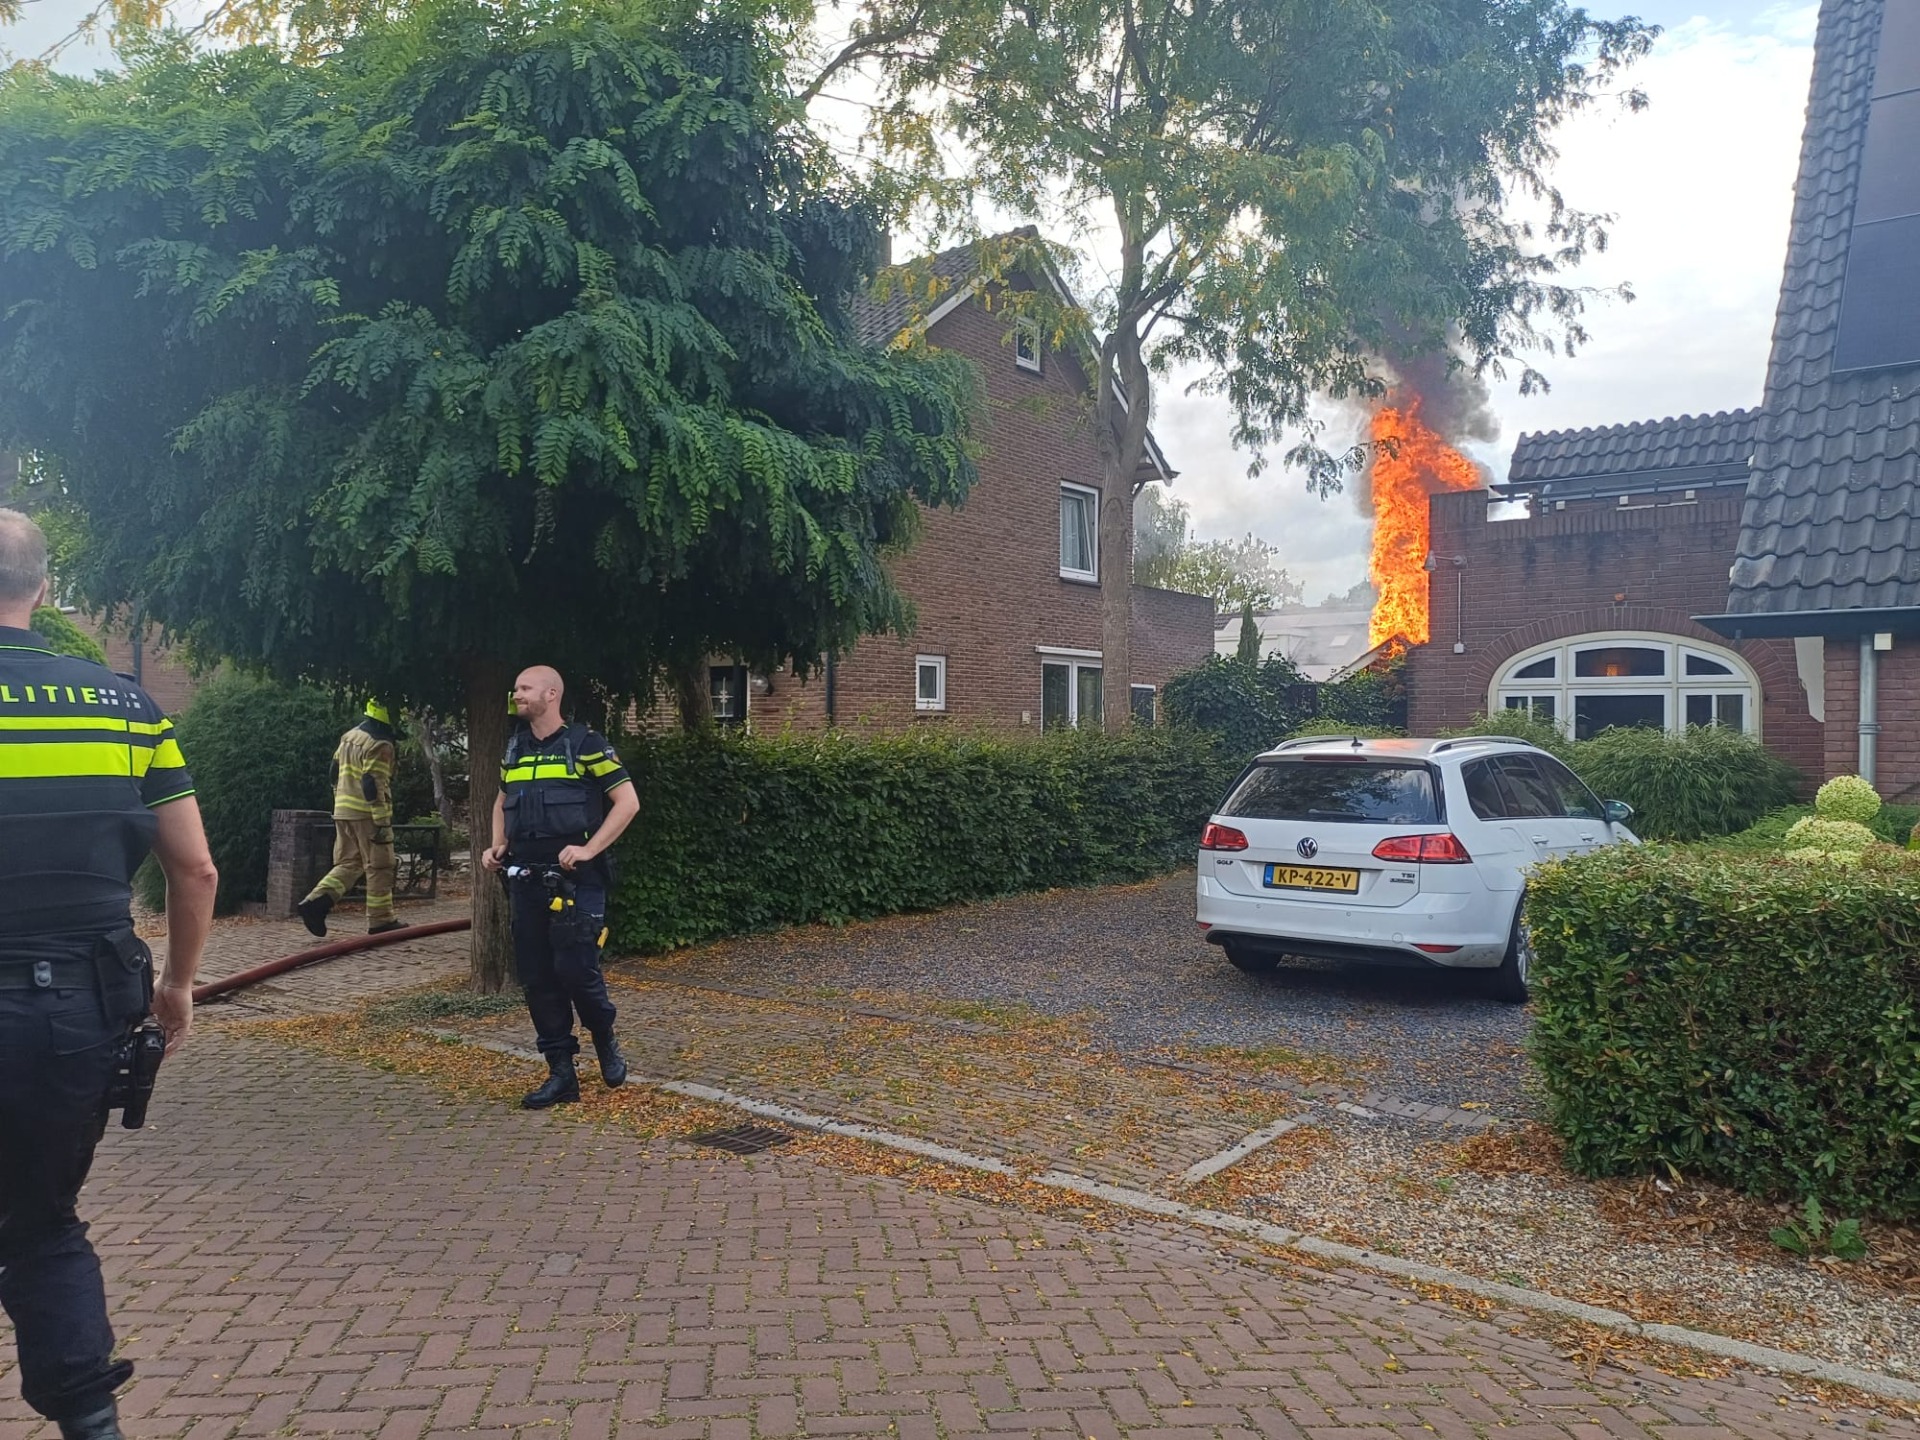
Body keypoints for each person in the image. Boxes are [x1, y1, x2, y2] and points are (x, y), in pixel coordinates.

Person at [0, 509, 218, 1440]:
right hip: (79, 1010)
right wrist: (177, 984)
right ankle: (92, 1423)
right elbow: (195, 869)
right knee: (44, 1220)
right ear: (43, 590)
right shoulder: (129, 708)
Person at [481, 665, 639, 1109]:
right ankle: (561, 1075)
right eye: (515, 688)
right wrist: (497, 846)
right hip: (526, 882)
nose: (517, 695)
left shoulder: (587, 745)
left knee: (576, 970)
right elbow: (500, 802)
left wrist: (589, 850)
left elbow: (628, 802)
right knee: (538, 979)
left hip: (576, 883)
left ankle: (603, 1037)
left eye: (525, 688)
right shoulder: (514, 750)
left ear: (551, 694)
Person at [298, 700, 402, 938]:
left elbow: (333, 772)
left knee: (349, 863)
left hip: (343, 810)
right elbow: (372, 783)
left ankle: (315, 903)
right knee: (380, 865)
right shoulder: (380, 744)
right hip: (367, 814)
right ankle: (381, 920)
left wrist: (339, 800)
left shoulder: (349, 736)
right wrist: (382, 822)